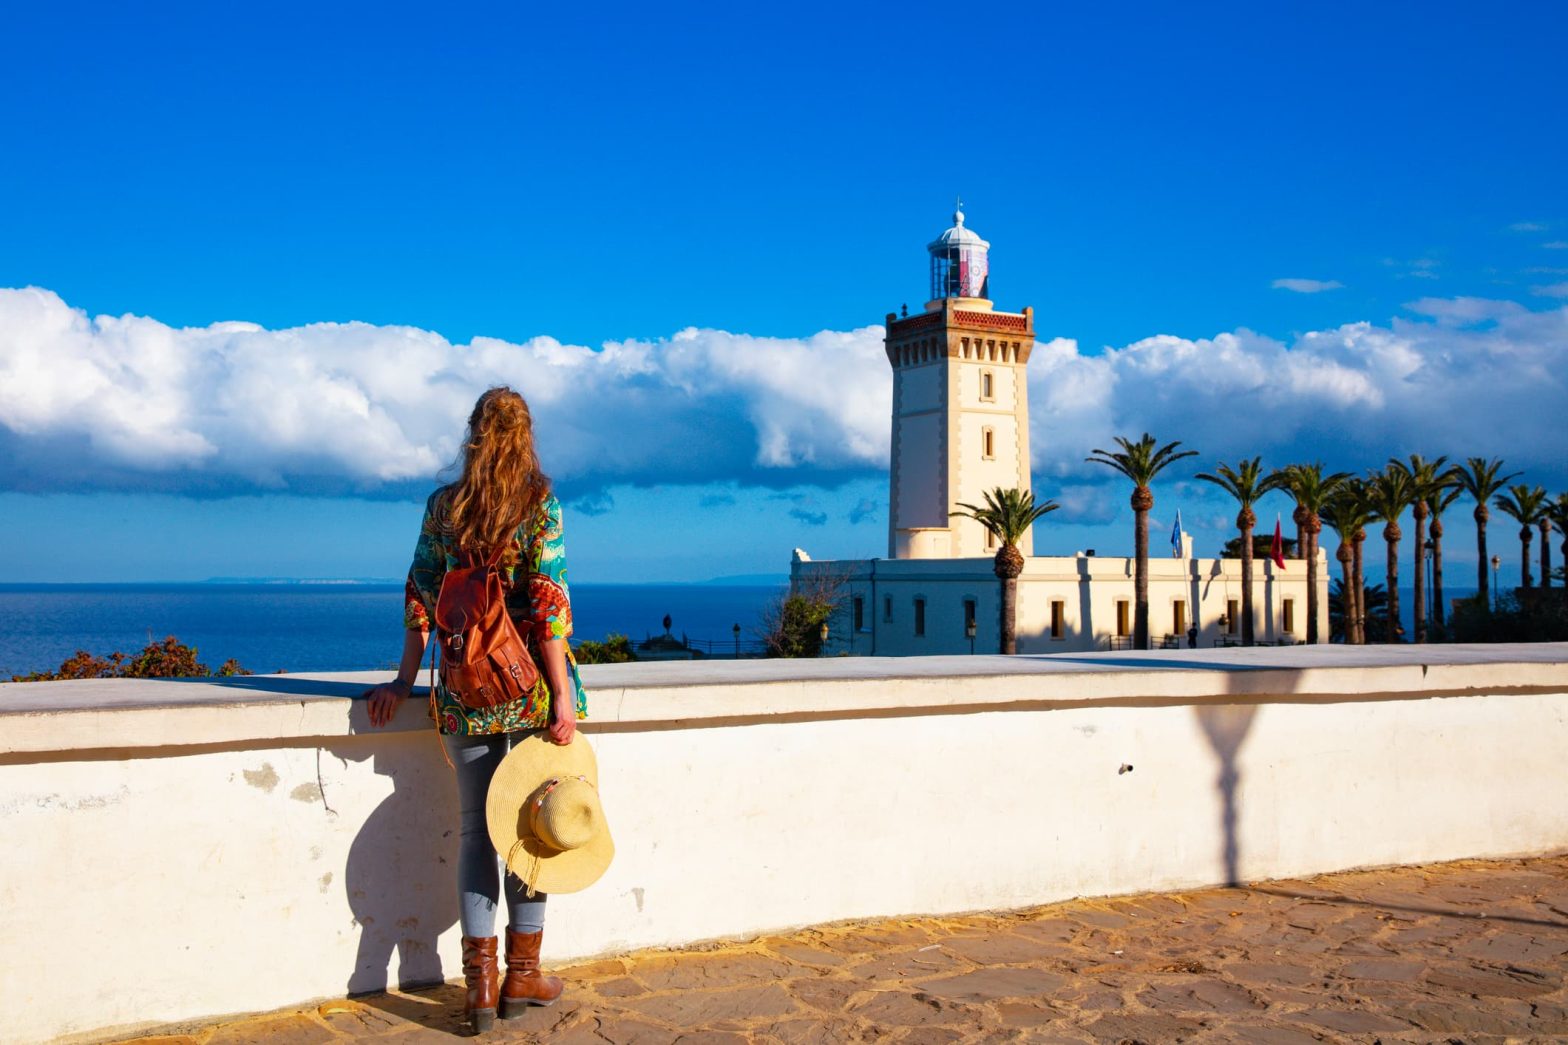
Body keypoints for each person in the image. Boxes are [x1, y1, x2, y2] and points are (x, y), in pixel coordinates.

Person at [364, 386, 587, 1032]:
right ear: (526, 439)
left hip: (464, 690)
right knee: (533, 828)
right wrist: (562, 698)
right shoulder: (539, 504)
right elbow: (549, 607)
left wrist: (403, 678)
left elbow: (420, 596)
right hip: (528, 694)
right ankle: (523, 972)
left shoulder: (444, 508)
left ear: (472, 435)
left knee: (474, 832)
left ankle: (480, 988)